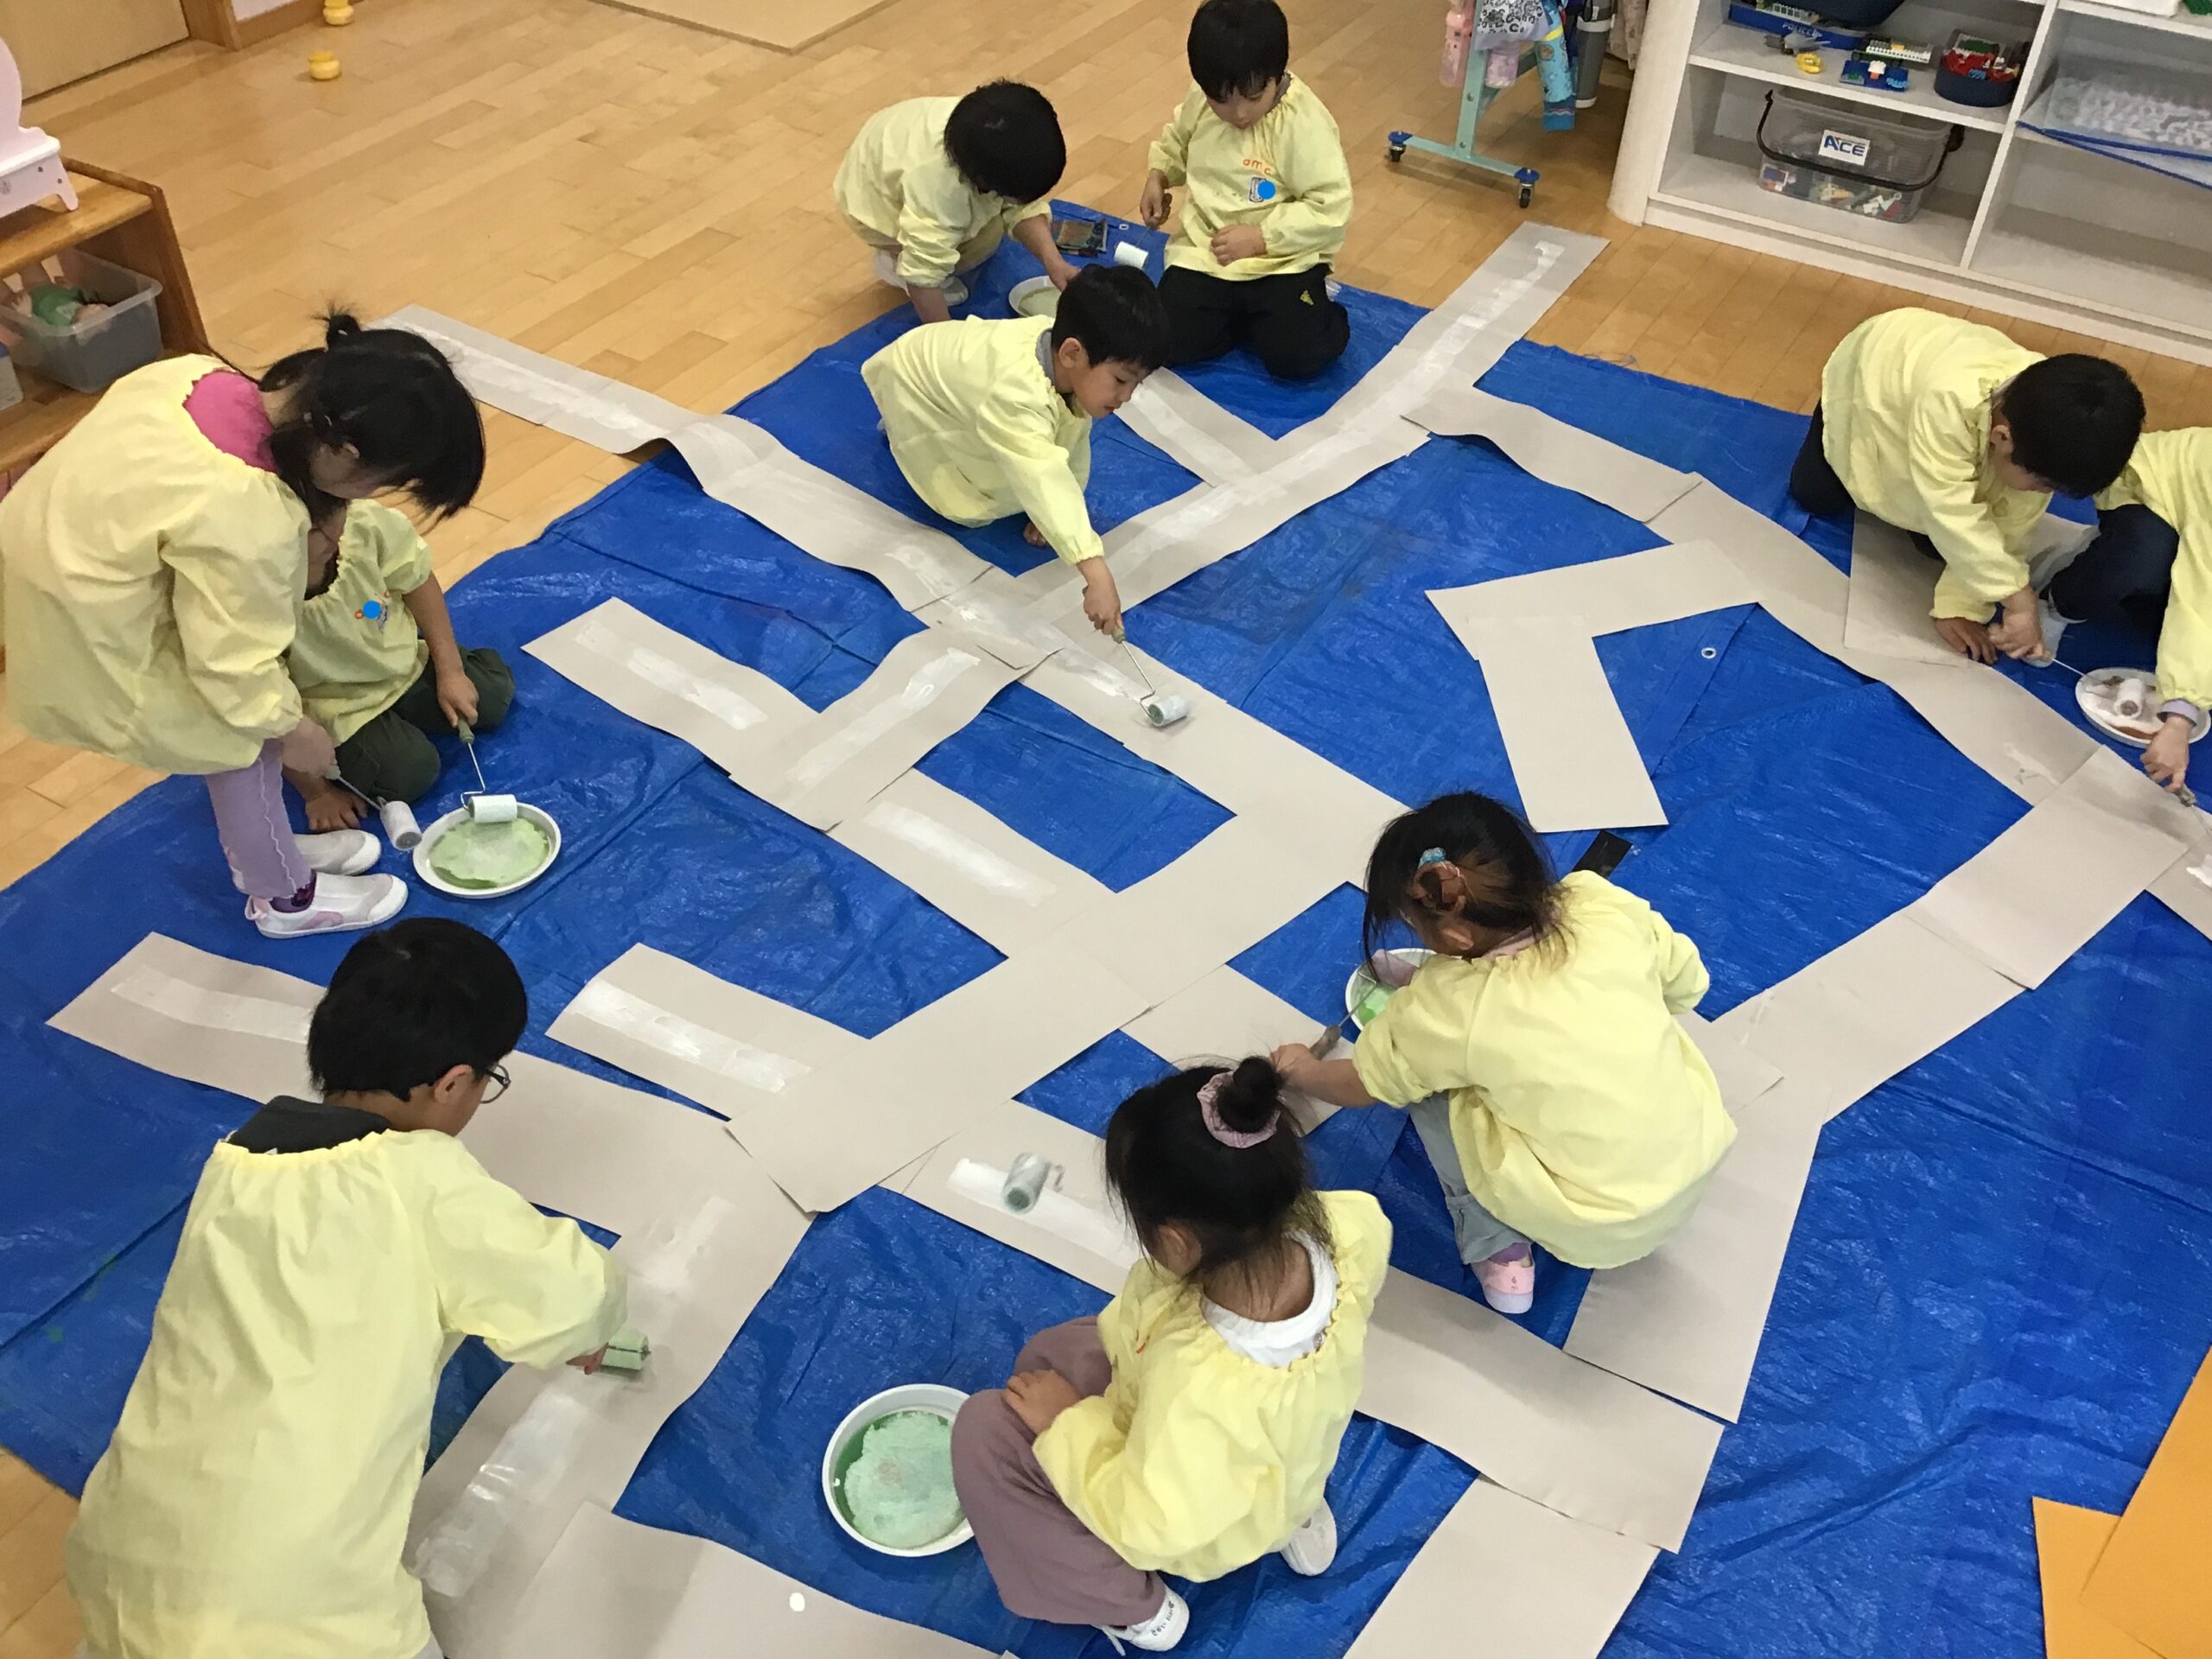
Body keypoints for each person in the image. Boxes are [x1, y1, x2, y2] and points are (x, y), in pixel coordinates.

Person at [67, 918, 626, 1659]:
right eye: (487, 1082)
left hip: (117, 1563)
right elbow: (574, 1300)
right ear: (452, 1083)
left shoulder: (234, 1161)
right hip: (281, 1611)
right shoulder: (420, 1179)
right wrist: (590, 1334)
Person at [0, 315, 486, 938]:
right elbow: (234, 670)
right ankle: (285, 898)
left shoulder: (196, 374)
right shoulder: (250, 515)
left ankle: (269, 849)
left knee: (239, 735)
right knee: (239, 745)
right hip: (96, 621)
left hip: (57, 551)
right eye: (381, 483)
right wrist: (294, 729)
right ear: (345, 453)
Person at [950, 1057, 1390, 1652]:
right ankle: (1296, 1514)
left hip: (1195, 1518)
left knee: (983, 1428)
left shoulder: (1198, 1390)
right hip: (1288, 1458)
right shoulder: (1353, 1224)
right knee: (1053, 1354)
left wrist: (1067, 1425)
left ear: (1177, 1241)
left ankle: (1139, 1608)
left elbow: (1148, 1523)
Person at [1274, 793, 1734, 1315]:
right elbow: (1687, 986)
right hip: (1693, 1163)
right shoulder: (1598, 903)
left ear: (1454, 936)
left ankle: (1495, 1243)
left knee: (1430, 1086)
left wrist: (1303, 1070)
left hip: (1593, 1224)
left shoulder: (1449, 1011)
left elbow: (1364, 1084)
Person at [1788, 308, 2143, 664]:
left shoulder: (2048, 429)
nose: (2043, 494)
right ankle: (1832, 423)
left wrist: (1961, 607)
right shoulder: (1947, 401)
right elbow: (1950, 508)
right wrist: (2017, 597)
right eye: (2044, 485)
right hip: (1874, 367)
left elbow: (2010, 526)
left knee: (1952, 542)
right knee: (1816, 495)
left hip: (1935, 380)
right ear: (2002, 439)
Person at [861, 263, 1167, 637]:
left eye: (1135, 384)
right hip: (912, 383)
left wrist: (1060, 523)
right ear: (1072, 353)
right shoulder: (1013, 392)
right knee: (971, 503)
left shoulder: (1063, 356)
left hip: (947, 367)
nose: (1127, 397)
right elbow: (1040, 473)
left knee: (1027, 466)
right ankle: (899, 423)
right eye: (1120, 380)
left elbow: (1066, 440)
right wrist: (1093, 568)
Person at [1139, 0, 1352, 380]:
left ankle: (1312, 309)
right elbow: (1178, 139)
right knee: (1165, 340)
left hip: (1281, 262)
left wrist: (1262, 238)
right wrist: (1159, 176)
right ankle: (1245, 321)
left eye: (1253, 97)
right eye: (1221, 100)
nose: (1238, 113)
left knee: (1298, 356)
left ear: (1276, 75)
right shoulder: (1201, 100)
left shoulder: (1303, 124)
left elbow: (1329, 206)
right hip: (1207, 255)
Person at [285, 498, 513, 829]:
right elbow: (258, 703)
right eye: (313, 531)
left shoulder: (363, 525)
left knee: (490, 696)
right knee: (410, 773)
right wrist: (316, 793)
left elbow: (418, 581)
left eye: (336, 516)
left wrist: (451, 671)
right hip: (337, 706)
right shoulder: (252, 597)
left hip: (404, 664)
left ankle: (412, 707)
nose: (333, 535)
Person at [2043, 427, 2210, 797]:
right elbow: (2201, 594)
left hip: (2197, 528)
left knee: (2168, 630)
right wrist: (2180, 716)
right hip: (2149, 491)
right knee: (2141, 561)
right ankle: (2062, 599)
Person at [836, 82, 1075, 325]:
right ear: (983, 182)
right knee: (963, 250)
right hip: (869, 202)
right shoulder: (940, 190)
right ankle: (894, 260)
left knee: (986, 234)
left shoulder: (986, 127)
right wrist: (946, 335)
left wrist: (1053, 262)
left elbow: (1022, 207)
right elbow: (922, 274)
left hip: (890, 144)